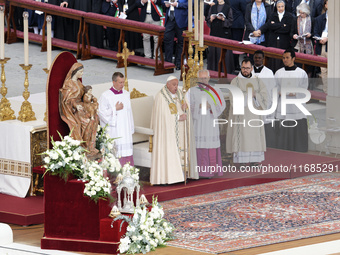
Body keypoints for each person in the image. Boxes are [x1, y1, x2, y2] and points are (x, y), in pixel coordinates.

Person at [150, 75, 198, 185]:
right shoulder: (161, 97)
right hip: (167, 131)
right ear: (168, 85)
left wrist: (186, 108)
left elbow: (184, 107)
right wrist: (177, 118)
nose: (176, 87)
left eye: (177, 84)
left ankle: (183, 174)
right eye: (174, 85)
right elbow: (163, 116)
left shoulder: (180, 94)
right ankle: (170, 177)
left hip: (181, 129)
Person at [226, 58, 268, 165]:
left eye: (248, 68)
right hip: (242, 115)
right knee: (243, 137)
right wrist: (245, 96)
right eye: (243, 68)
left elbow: (265, 97)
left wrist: (255, 95)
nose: (245, 70)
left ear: (252, 68)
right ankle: (243, 161)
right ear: (241, 68)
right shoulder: (235, 81)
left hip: (254, 115)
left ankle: (254, 160)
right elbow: (232, 97)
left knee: (254, 138)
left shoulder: (258, 81)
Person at [187, 70, 226, 178]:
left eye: (205, 78)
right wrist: (198, 106)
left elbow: (222, 105)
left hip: (210, 122)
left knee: (211, 145)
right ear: (197, 79)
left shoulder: (216, 90)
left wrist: (211, 106)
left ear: (208, 78)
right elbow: (187, 106)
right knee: (200, 145)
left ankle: (212, 171)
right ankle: (199, 172)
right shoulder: (191, 91)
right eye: (201, 79)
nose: (203, 80)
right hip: (199, 123)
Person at [59, 63, 100, 157]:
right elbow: (67, 99)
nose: (82, 73)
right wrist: (76, 105)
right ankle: (84, 145)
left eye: (82, 71)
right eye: (80, 72)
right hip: (74, 109)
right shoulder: (69, 83)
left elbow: (85, 93)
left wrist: (92, 98)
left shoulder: (78, 83)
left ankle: (90, 146)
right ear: (75, 72)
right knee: (86, 121)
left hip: (82, 105)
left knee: (94, 119)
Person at [275, 49, 309, 152]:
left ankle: (299, 148)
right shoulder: (279, 73)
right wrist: (281, 92)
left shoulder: (301, 73)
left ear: (293, 58)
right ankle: (284, 148)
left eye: (287, 58)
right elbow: (275, 88)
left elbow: (304, 88)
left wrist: (295, 92)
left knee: (297, 125)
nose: (285, 60)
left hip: (296, 105)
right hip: (284, 105)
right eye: (283, 58)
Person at [98, 72, 135, 166]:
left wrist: (131, 127)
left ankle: (128, 174)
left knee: (126, 152)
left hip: (125, 129)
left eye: (123, 82)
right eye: (120, 82)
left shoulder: (126, 94)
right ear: (113, 82)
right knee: (115, 153)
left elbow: (129, 112)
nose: (122, 85)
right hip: (114, 129)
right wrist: (115, 109)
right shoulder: (105, 95)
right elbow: (100, 112)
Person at [252, 50, 276, 148]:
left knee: (264, 123)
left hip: (265, 103)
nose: (257, 60)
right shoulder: (248, 71)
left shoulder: (269, 72)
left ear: (263, 59)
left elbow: (272, 89)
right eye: (256, 57)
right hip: (251, 102)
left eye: (259, 58)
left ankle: (267, 144)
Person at [266, 0, 294, 72]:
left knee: (282, 59)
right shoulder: (272, 15)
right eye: (279, 7)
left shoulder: (289, 16)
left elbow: (287, 29)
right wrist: (282, 25)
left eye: (282, 6)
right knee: (273, 60)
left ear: (285, 6)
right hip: (273, 41)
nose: (281, 8)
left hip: (284, 41)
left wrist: (275, 26)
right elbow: (270, 26)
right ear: (276, 7)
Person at [206, 0, 233, 72]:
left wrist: (223, 19)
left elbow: (230, 22)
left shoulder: (228, 7)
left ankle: (224, 71)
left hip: (224, 33)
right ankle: (213, 70)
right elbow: (208, 19)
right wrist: (210, 19)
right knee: (213, 51)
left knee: (222, 52)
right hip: (214, 31)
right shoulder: (213, 7)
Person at [162, 0, 188, 70]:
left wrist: (177, 5)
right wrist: (165, 4)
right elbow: (162, 1)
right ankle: (168, 62)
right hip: (170, 20)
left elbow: (190, 4)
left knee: (181, 42)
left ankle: (178, 62)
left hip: (181, 20)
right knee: (167, 39)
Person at [313, 0, 328, 93]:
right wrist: (320, 39)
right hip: (321, 45)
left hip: (331, 46)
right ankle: (326, 90)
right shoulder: (319, 18)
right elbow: (315, 31)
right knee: (323, 70)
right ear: (325, 5)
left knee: (332, 70)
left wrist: (328, 38)